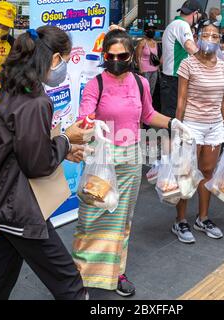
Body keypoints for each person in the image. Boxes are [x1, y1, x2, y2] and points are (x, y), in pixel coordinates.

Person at [0, 26, 91, 300]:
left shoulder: (8, 89)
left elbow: (18, 147)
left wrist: (60, 148)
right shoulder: (35, 102)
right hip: (19, 208)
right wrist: (66, 141)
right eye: (65, 60)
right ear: (55, 59)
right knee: (69, 282)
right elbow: (36, 164)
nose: (64, 67)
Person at [72, 29, 192, 297]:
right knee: (91, 217)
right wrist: (93, 123)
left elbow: (148, 115)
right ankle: (80, 275)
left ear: (131, 56)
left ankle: (116, 272)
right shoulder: (96, 84)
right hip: (102, 159)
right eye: (110, 55)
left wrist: (174, 123)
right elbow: (83, 117)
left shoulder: (141, 83)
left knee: (122, 219)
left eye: (122, 55)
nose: (115, 60)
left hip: (131, 159)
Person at [173, 19, 224, 244]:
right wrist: (177, 129)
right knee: (187, 174)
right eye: (206, 35)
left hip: (215, 126)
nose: (210, 39)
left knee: (208, 172)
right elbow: (181, 100)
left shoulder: (221, 64)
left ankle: (203, 217)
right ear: (198, 37)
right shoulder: (188, 64)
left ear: (221, 41)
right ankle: (180, 220)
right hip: (192, 125)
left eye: (215, 36)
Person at [160, 0, 202, 120]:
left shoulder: (172, 25)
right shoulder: (182, 25)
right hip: (175, 79)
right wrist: (205, 64)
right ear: (195, 13)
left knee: (169, 117)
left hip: (169, 79)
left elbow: (163, 59)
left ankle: (170, 138)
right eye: (199, 16)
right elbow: (189, 46)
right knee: (174, 118)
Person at [135, 26, 159, 96]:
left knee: (151, 91)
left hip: (154, 70)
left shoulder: (155, 42)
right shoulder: (142, 42)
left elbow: (156, 57)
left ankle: (149, 105)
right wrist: (140, 69)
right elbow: (138, 57)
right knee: (145, 91)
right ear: (145, 31)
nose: (152, 31)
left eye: (153, 30)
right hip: (145, 71)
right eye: (150, 30)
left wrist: (158, 68)